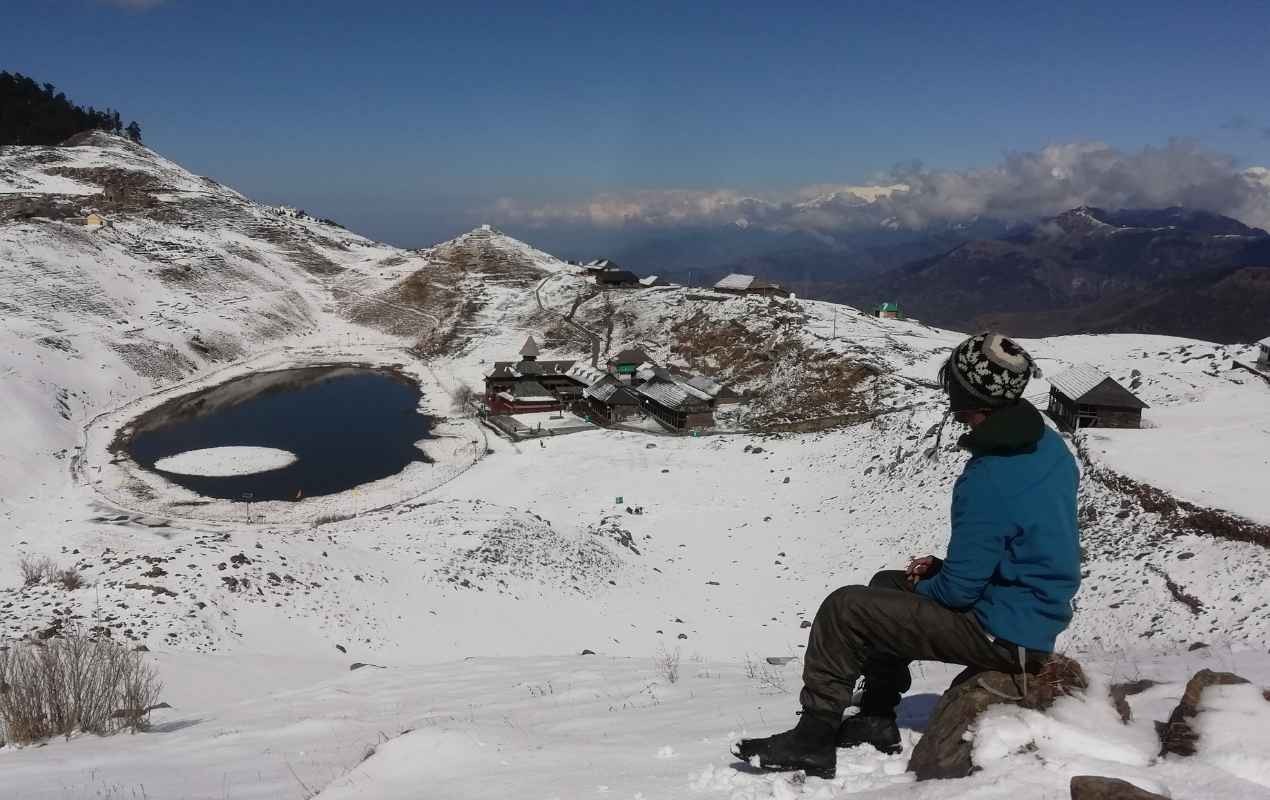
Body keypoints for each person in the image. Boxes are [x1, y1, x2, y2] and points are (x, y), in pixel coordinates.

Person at [733, 332, 1081, 779]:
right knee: (884, 584)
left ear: (963, 395)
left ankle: (814, 738)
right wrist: (935, 575)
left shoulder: (990, 476)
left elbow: (956, 593)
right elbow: (1017, 545)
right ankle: (877, 718)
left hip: (1004, 632)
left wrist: (928, 582)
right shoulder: (1047, 445)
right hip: (1028, 612)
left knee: (845, 608)